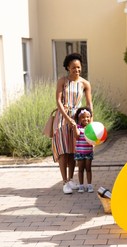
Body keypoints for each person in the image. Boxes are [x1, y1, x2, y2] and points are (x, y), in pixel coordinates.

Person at [52, 53, 93, 194]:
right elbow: (58, 101)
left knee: (73, 151)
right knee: (63, 151)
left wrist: (90, 123)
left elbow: (89, 103)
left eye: (79, 67)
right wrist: (68, 119)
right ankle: (64, 182)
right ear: (68, 67)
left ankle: (70, 180)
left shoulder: (85, 83)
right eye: (73, 67)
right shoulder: (62, 81)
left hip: (78, 118)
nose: (76, 70)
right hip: (63, 118)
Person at [72, 107, 94, 193]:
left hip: (89, 151)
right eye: (83, 117)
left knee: (88, 168)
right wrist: (74, 127)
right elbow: (77, 136)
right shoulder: (78, 127)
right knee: (80, 169)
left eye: (88, 117)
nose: (86, 119)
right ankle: (81, 185)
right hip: (79, 152)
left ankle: (89, 185)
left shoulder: (91, 128)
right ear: (79, 119)